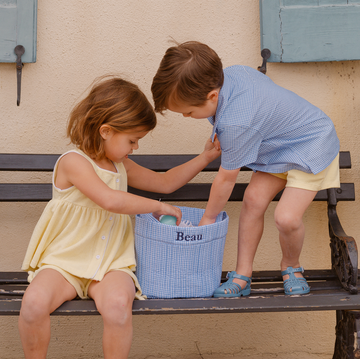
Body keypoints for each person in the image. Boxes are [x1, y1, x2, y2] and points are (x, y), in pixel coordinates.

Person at [18, 75, 221, 359]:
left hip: (113, 262)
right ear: (106, 130)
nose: (135, 148)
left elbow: (165, 183)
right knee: (33, 304)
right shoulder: (73, 162)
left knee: (117, 307)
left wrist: (205, 157)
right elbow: (109, 200)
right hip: (65, 261)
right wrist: (157, 207)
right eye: (132, 140)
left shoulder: (120, 164)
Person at [151, 41, 340, 298]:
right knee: (252, 200)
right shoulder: (232, 74)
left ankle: (291, 266)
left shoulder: (238, 125)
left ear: (212, 96)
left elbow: (226, 179)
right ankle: (243, 274)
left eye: (188, 112)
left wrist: (208, 219)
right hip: (276, 149)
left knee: (286, 218)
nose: (187, 117)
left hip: (310, 145)